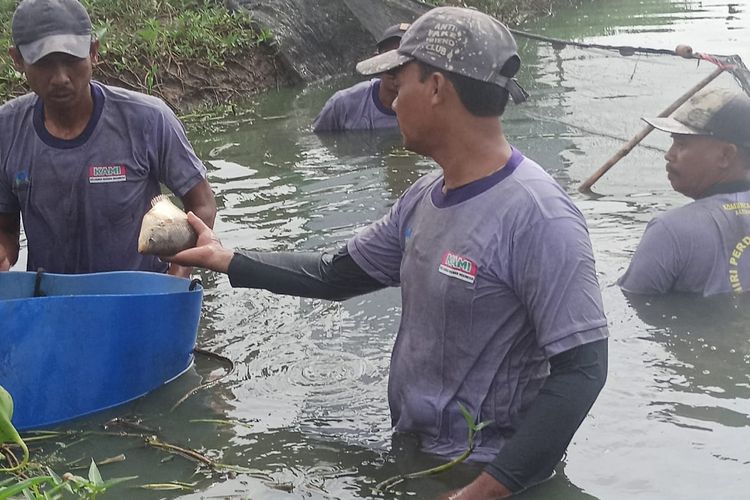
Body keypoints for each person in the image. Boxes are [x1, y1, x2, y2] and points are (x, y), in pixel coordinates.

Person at [168, 7, 608, 498]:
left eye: (400, 85)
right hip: (417, 456)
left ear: (437, 89)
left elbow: (583, 369)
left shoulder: (539, 215)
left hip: (490, 474)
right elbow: (336, 275)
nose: (391, 102)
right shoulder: (423, 197)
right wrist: (226, 257)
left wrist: (489, 488)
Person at [0, 0, 216, 277]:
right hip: (54, 299)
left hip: (140, 293)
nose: (60, 78)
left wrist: (176, 279)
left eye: (71, 60)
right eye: (44, 63)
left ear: (93, 52)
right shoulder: (7, 130)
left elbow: (202, 204)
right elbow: (6, 231)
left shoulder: (149, 119)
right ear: (17, 60)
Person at [618, 87, 750, 296]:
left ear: (725, 155)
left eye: (681, 144)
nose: (669, 155)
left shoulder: (671, 231)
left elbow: (630, 305)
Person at [312, 23, 409, 132]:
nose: (396, 66)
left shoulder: (428, 111)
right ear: (376, 61)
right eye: (388, 58)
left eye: (405, 60)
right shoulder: (343, 104)